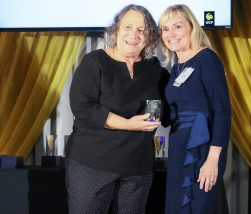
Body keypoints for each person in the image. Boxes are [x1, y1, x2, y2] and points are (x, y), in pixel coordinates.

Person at [65, 4, 169, 214]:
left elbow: (172, 104)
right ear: (116, 30)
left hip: (137, 169)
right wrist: (129, 124)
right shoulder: (95, 61)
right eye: (128, 27)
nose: (134, 35)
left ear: (149, 36)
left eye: (141, 30)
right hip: (92, 165)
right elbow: (83, 107)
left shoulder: (154, 69)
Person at [158, 4, 232, 214]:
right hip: (179, 144)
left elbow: (222, 112)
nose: (170, 34)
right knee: (176, 206)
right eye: (165, 29)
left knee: (199, 207)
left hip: (202, 148)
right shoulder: (176, 66)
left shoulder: (206, 59)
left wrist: (212, 160)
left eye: (177, 26)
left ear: (192, 27)